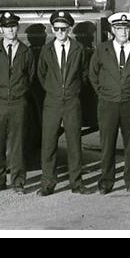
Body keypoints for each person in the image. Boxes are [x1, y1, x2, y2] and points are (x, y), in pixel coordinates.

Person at [37, 10, 94, 195]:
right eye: (57, 28)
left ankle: (76, 183)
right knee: (49, 143)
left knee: (74, 143)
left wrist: (74, 89)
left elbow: (84, 73)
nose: (60, 32)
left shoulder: (78, 49)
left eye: (64, 28)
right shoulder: (46, 50)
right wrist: (53, 89)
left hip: (72, 101)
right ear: (52, 29)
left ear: (69, 29)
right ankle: (48, 183)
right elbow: (41, 74)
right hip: (52, 102)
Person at [89, 11, 130, 194]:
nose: (123, 32)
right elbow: (93, 74)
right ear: (113, 30)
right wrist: (105, 92)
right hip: (108, 103)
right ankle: (106, 182)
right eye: (119, 28)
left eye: (126, 28)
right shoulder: (102, 49)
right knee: (107, 143)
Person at [0, 11, 35, 193]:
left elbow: (31, 77)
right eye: (7, 27)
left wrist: (20, 93)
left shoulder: (26, 52)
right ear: (1, 29)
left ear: (17, 28)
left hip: (18, 103)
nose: (10, 30)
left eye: (13, 26)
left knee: (17, 144)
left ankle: (18, 181)